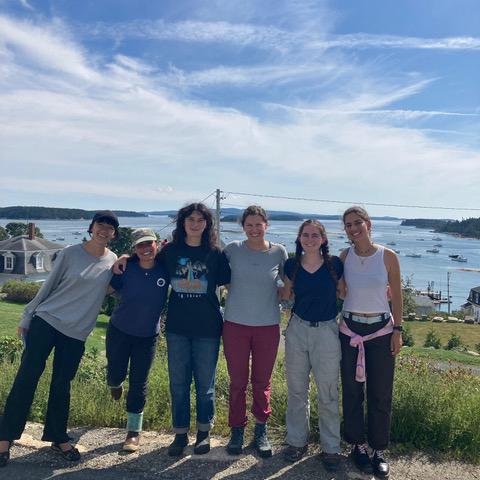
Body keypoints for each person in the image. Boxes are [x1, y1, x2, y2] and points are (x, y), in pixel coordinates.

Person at [0, 211, 119, 467]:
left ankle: (57, 437)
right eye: (101, 225)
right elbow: (48, 286)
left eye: (110, 228)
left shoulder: (113, 261)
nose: (104, 231)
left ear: (114, 234)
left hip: (76, 332)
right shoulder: (69, 253)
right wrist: (26, 316)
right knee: (27, 377)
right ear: (91, 227)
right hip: (48, 321)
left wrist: (127, 260)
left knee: (62, 384)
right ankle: (5, 436)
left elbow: (112, 288)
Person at [113, 203, 230, 456]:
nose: (196, 223)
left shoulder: (216, 253)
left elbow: (230, 281)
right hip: (177, 327)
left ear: (207, 224)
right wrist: (125, 257)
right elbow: (146, 259)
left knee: (205, 385)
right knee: (178, 383)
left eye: (201, 219)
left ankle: (203, 433)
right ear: (183, 223)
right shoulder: (170, 251)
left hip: (208, 328)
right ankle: (179, 434)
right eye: (191, 219)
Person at [339, 206, 403, 478]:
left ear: (368, 224)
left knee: (380, 392)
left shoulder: (388, 256)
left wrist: (398, 329)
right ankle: (358, 445)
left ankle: (378, 449)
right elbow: (337, 290)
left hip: (380, 330)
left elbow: (397, 296)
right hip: (350, 329)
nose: (353, 229)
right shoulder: (343, 256)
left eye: (357, 223)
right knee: (352, 391)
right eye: (348, 225)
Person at [222, 205, 288, 457]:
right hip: (235, 325)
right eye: (248, 225)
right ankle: (237, 430)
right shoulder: (233, 250)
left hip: (267, 326)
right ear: (243, 227)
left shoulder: (278, 252)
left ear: (266, 226)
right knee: (238, 382)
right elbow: (217, 271)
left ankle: (261, 430)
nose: (253, 229)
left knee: (262, 382)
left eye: (258, 224)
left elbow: (287, 283)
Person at [281, 220, 343, 472]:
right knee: (297, 390)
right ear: (299, 238)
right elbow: (286, 295)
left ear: (324, 239)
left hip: (327, 330)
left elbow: (344, 293)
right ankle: (296, 441)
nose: (310, 239)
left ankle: (331, 447)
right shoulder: (291, 264)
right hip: (297, 328)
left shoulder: (334, 265)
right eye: (305, 235)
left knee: (328, 392)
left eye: (315, 235)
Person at [106, 228, 168, 452]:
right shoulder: (126, 268)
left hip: (148, 336)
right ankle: (115, 383)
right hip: (119, 330)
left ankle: (133, 433)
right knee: (114, 373)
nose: (145, 248)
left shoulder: (165, 268)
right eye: (140, 245)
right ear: (133, 249)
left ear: (156, 243)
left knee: (139, 382)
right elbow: (106, 289)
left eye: (149, 243)